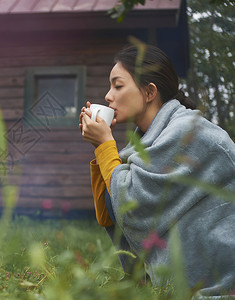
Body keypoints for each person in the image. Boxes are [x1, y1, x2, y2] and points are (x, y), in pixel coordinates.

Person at [79, 44, 235, 298]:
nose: (108, 96)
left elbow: (132, 204)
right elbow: (111, 213)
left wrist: (105, 146)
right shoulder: (143, 145)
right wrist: (101, 148)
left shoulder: (189, 132)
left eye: (118, 86)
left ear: (149, 91)